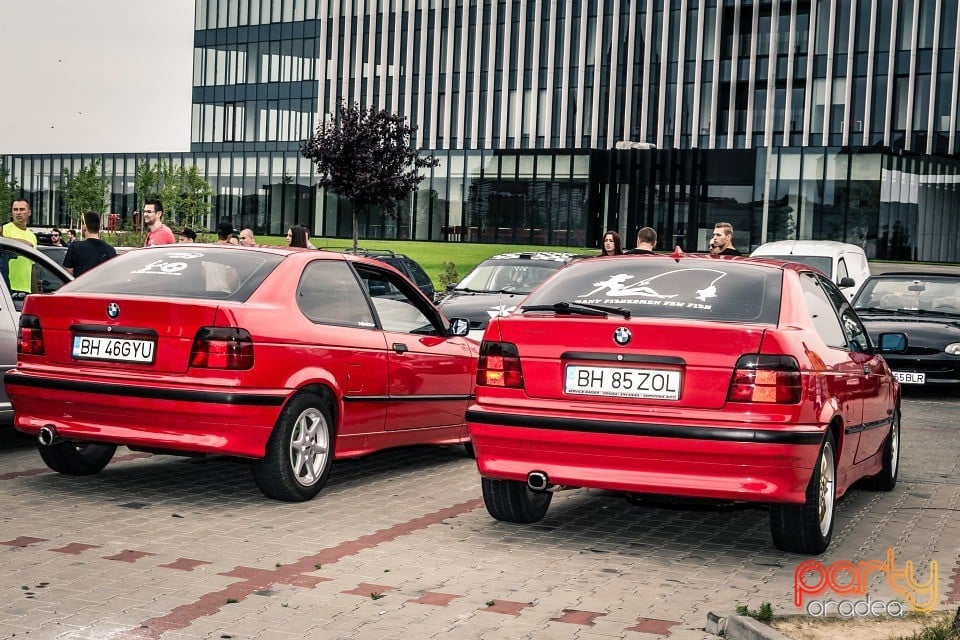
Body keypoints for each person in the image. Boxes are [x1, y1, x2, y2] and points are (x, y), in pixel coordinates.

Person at [63, 211, 117, 277]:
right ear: (98, 227)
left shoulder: (75, 247)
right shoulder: (110, 250)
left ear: (84, 228)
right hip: (102, 287)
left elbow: (68, 272)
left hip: (81, 286)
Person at [3, 198, 38, 292]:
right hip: (7, 288)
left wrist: (35, 292)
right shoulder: (4, 230)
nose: (18, 213)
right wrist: (24, 244)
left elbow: (32, 265)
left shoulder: (32, 236)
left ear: (29, 212)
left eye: (22, 209)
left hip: (26, 290)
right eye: (15, 210)